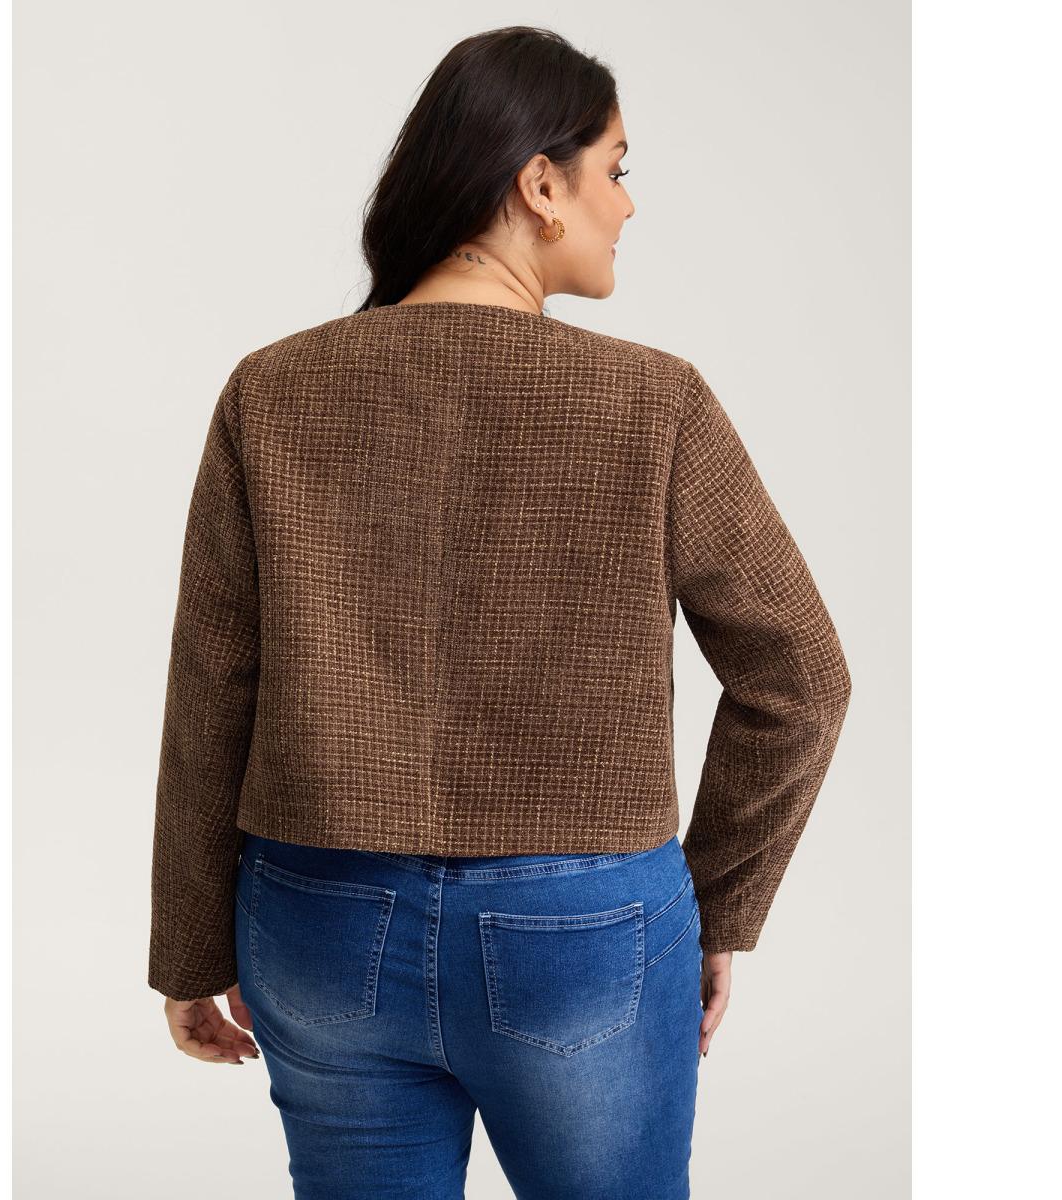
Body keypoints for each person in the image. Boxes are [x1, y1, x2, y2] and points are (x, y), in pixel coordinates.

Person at [148, 24, 851, 1200]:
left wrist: (188, 944)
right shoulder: (653, 402)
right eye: (615, 168)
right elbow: (803, 679)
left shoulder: (271, 391)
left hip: (319, 925)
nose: (628, 203)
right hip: (585, 934)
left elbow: (212, 685)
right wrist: (713, 908)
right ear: (540, 184)